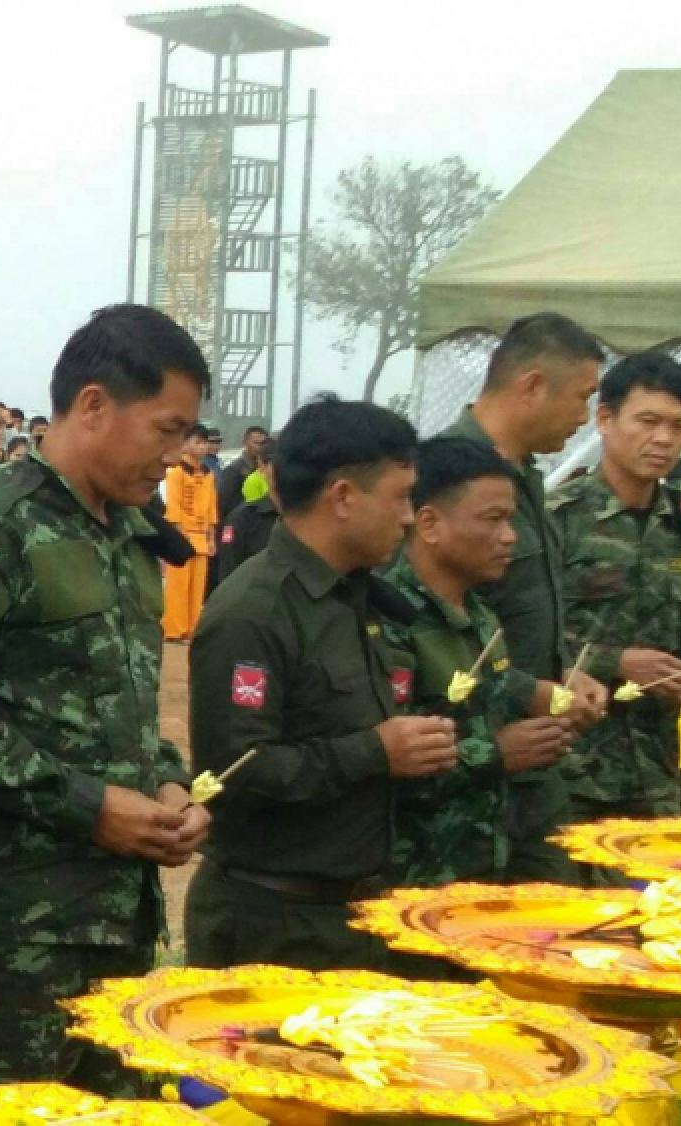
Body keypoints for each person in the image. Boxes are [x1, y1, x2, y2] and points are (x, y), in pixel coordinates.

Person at [0, 304, 209, 1091]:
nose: (176, 458)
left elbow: (130, 704)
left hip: (124, 922)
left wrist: (170, 781)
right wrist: (87, 805)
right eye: (165, 430)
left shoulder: (126, 532)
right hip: (17, 938)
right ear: (93, 405)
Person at [187, 396, 449, 972]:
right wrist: (376, 752)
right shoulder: (256, 612)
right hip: (273, 930)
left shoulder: (356, 594)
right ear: (343, 497)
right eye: (401, 496)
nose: (409, 516)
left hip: (350, 918)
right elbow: (235, 773)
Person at [440, 313, 609, 882]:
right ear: (533, 386)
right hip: (470, 762)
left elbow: (520, 615)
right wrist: (528, 690)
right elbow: (426, 626)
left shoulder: (526, 480)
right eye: (582, 397)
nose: (584, 418)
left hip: (534, 762)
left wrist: (565, 675)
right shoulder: (446, 477)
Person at [381, 437, 576, 890]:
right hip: (413, 882)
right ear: (429, 523)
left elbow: (493, 700)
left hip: (482, 871)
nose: (510, 537)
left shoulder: (481, 616)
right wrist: (496, 752)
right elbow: (378, 763)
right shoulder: (388, 619)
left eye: (511, 520)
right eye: (494, 520)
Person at [549, 352, 681, 825]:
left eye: (678, 426)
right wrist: (613, 661)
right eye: (648, 421)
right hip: (571, 773)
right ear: (605, 418)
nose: (663, 439)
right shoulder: (557, 519)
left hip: (658, 776)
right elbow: (510, 635)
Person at [161, 424, 218, 641]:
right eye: (198, 442)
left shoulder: (208, 474)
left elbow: (212, 507)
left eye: (205, 443)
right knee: (178, 585)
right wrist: (177, 535)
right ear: (184, 444)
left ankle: (193, 628)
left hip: (201, 535)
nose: (202, 447)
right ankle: (174, 629)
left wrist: (211, 536)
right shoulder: (175, 472)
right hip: (182, 533)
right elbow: (173, 506)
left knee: (197, 588)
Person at [207, 445, 278, 597]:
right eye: (276, 465)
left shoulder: (306, 517)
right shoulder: (242, 518)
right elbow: (228, 571)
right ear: (262, 467)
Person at [218, 426, 269, 525]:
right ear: (245, 443)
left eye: (263, 444)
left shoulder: (267, 470)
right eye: (256, 443)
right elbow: (223, 502)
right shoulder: (234, 470)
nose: (259, 447)